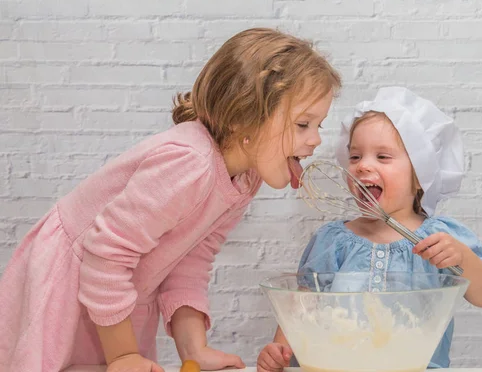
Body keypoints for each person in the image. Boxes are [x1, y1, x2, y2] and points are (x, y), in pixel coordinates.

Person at [0, 28, 341, 372]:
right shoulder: (189, 164)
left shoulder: (244, 178)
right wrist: (122, 355)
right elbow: (106, 253)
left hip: (110, 294)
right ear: (244, 118)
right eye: (302, 124)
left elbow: (190, 259)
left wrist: (194, 351)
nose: (315, 140)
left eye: (318, 126)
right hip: (69, 285)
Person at [257, 86, 482, 372]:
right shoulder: (333, 241)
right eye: (356, 156)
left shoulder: (441, 239)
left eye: (383, 157)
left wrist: (461, 257)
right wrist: (279, 354)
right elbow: (301, 309)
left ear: (420, 176)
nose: (362, 166)